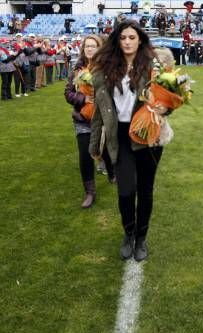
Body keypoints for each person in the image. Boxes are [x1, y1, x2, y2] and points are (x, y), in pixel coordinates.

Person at [89, 21, 166, 262]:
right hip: (120, 135)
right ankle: (128, 233)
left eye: (132, 37)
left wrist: (165, 109)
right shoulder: (104, 68)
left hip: (148, 134)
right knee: (125, 192)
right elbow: (99, 111)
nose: (127, 42)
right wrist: (94, 143)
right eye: (123, 38)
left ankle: (141, 238)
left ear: (140, 39)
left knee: (145, 190)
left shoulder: (154, 66)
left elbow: (168, 100)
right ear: (117, 40)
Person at [64, 34, 114, 208]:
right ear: (83, 49)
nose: (90, 49)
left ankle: (111, 171)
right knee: (85, 154)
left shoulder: (109, 68)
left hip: (104, 118)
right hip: (82, 119)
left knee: (104, 148)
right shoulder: (77, 69)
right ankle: (90, 192)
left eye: (94, 46)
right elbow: (68, 93)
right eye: (87, 46)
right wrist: (83, 99)